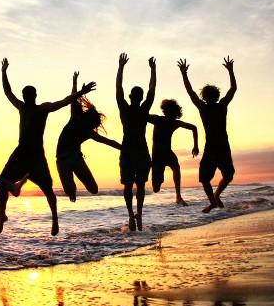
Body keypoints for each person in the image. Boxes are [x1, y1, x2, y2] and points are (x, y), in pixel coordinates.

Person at [0, 58, 96, 236]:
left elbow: (65, 101)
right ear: (24, 96)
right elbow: (7, 92)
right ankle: (2, 215)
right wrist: (4, 72)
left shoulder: (42, 109)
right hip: (20, 152)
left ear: (34, 96)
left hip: (36, 155)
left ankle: (55, 219)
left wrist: (81, 91)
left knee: (48, 190)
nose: (27, 97)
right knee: (3, 182)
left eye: (30, 95)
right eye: (25, 95)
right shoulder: (21, 107)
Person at [177, 56, 237, 213]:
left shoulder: (221, 105)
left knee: (228, 175)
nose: (209, 97)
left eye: (211, 95)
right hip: (211, 146)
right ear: (206, 97)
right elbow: (190, 92)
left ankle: (215, 197)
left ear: (215, 96)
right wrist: (184, 74)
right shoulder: (204, 107)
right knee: (204, 178)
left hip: (222, 145)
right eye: (208, 95)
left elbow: (232, 90)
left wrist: (231, 71)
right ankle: (213, 202)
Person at [56, 71, 122, 202]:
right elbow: (73, 98)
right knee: (69, 191)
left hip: (76, 158)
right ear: (87, 116)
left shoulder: (88, 132)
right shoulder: (76, 115)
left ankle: (74, 182)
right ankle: (71, 189)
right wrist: (75, 83)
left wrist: (124, 147)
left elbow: (108, 141)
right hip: (62, 160)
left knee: (94, 189)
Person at [116, 53, 156, 232]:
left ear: (134, 96)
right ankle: (133, 214)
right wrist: (121, 67)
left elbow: (151, 90)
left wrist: (153, 70)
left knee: (134, 184)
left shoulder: (138, 108)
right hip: (134, 149)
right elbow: (119, 88)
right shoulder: (128, 108)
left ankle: (135, 214)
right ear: (135, 96)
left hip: (136, 149)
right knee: (133, 185)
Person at [147, 99, 199, 206]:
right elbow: (143, 115)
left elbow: (193, 127)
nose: (172, 115)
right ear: (165, 111)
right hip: (157, 156)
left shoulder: (174, 123)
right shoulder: (158, 119)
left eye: (174, 113)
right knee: (156, 189)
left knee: (176, 167)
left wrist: (196, 145)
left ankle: (178, 196)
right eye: (169, 112)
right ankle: (161, 184)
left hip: (167, 153)